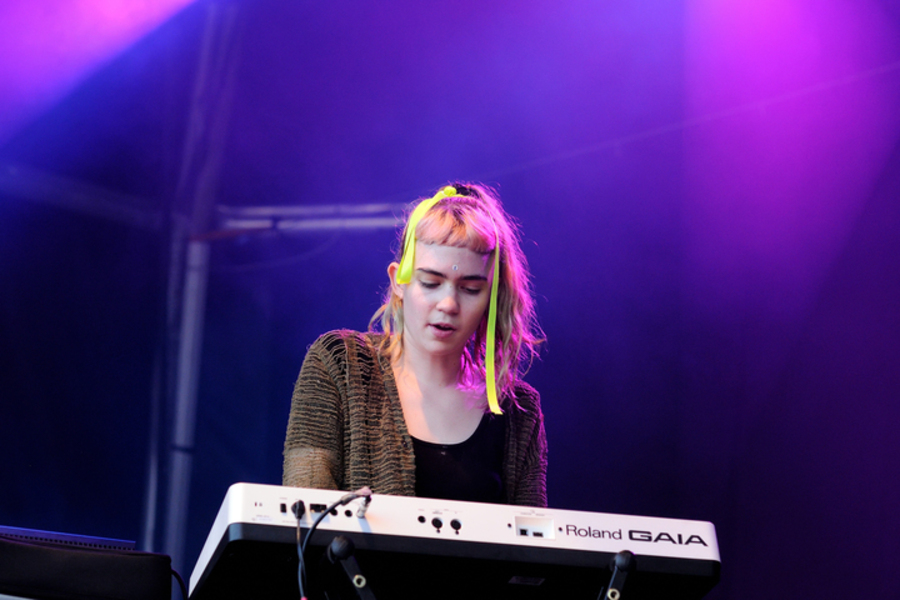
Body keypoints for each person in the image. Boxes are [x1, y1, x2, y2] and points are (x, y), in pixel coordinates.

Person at [282, 183, 547, 506]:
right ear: (399, 282)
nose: (448, 304)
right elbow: (304, 521)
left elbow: (531, 547)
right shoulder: (339, 364)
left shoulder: (519, 410)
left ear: (494, 297)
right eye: (431, 283)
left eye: (470, 289)